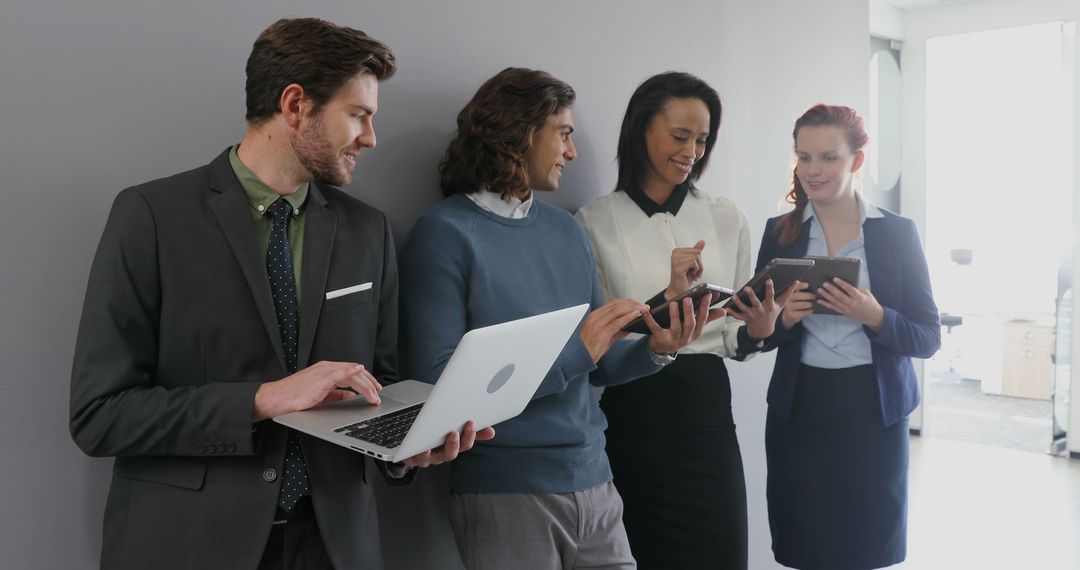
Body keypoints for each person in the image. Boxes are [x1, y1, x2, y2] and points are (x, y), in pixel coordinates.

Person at [69, 18, 492, 570]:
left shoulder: (369, 231)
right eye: (359, 115)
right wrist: (264, 398)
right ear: (295, 105)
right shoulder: (150, 217)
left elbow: (379, 384)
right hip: (188, 545)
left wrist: (406, 446)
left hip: (336, 546)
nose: (371, 138)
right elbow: (99, 415)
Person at [398, 67, 718, 570]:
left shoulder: (566, 231)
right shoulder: (444, 235)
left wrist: (658, 349)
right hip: (505, 490)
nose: (572, 152)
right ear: (520, 133)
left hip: (597, 482)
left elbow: (599, 363)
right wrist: (579, 351)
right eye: (564, 134)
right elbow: (438, 384)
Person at [576, 71, 788, 570]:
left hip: (706, 413)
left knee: (721, 553)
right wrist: (666, 298)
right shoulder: (593, 220)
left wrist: (760, 331)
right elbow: (600, 335)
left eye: (702, 139)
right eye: (679, 136)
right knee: (641, 553)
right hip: (634, 409)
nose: (692, 150)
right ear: (640, 129)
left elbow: (734, 335)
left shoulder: (727, 216)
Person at [757, 104, 940, 570]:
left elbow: (927, 336)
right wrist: (784, 321)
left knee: (867, 546)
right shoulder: (780, 233)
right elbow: (753, 335)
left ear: (857, 161)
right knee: (805, 544)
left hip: (872, 415)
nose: (813, 171)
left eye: (828, 158)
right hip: (801, 414)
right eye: (804, 157)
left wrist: (875, 315)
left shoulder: (898, 234)